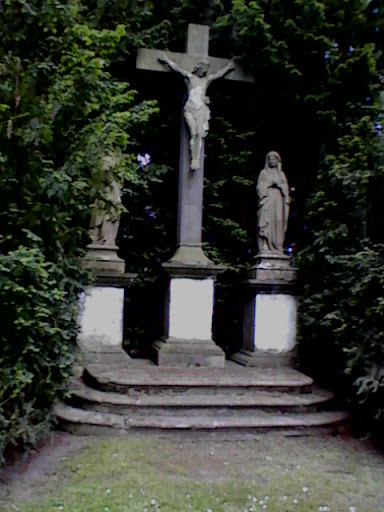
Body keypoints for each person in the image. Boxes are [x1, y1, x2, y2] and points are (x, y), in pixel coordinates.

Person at [158, 53, 235, 171]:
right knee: (193, 132)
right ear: (198, 68)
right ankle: (194, 158)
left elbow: (218, 75)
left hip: (200, 110)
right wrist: (166, 60)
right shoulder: (190, 77)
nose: (203, 71)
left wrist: (228, 67)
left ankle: (196, 159)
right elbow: (177, 69)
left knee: (199, 134)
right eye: (202, 69)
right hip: (190, 109)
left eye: (205, 70)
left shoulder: (206, 80)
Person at [256, 151, 290, 254]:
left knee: (278, 221)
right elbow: (259, 188)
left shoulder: (281, 174)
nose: (272, 161)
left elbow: (286, 188)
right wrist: (270, 183)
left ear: (277, 160)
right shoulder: (264, 173)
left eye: (274, 159)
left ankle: (278, 245)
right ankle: (265, 244)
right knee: (267, 221)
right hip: (267, 200)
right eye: (270, 159)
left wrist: (280, 186)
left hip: (278, 201)